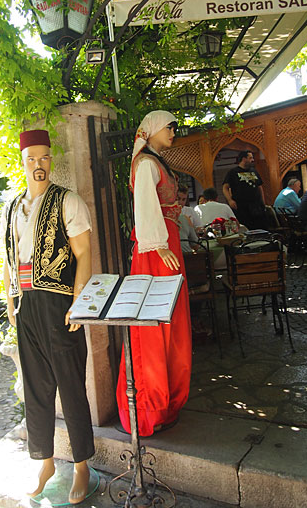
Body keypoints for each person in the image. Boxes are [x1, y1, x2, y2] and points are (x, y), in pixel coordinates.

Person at [1, 129, 94, 504]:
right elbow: (8, 257)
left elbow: (84, 253)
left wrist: (79, 301)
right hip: (25, 306)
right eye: (31, 159)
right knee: (36, 390)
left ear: (50, 159)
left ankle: (82, 464)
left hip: (59, 303)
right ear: (23, 162)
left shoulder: (68, 201)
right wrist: (10, 298)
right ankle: (46, 462)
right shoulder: (11, 208)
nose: (38, 165)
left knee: (71, 387)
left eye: (44, 158)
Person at [116, 111, 192, 437]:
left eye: (174, 127)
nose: (173, 132)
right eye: (168, 127)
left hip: (165, 245)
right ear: (153, 129)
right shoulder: (147, 164)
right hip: (156, 250)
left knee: (171, 324)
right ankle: (150, 405)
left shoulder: (157, 162)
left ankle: (167, 400)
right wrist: (159, 246)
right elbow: (145, 209)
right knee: (156, 326)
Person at [222, 150, 267, 230]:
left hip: (256, 206)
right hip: (242, 207)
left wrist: (263, 202)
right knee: (246, 228)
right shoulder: (233, 172)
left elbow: (259, 187)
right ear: (244, 159)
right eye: (250, 158)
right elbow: (225, 187)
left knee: (260, 228)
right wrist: (230, 200)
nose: (252, 160)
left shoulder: (254, 171)